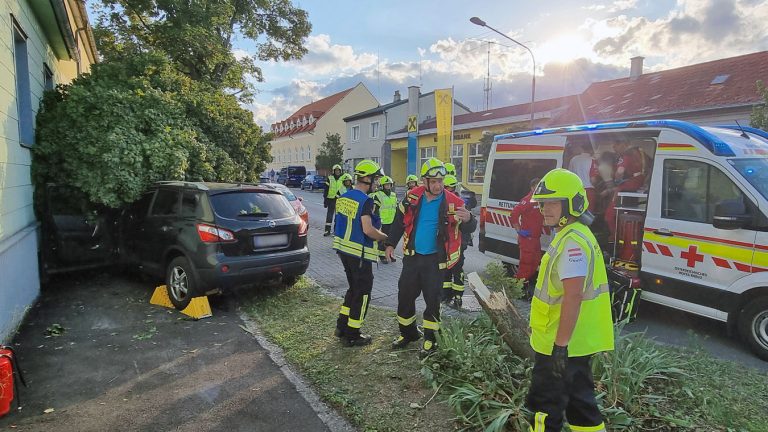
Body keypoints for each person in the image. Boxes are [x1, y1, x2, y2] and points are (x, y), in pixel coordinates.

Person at [525, 168, 614, 432]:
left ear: (572, 204)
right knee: (581, 407)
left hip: (561, 343)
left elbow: (573, 296)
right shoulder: (575, 234)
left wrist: (559, 348)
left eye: (553, 202)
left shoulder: (572, 241)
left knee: (544, 407)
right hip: (576, 342)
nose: (545, 209)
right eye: (542, 203)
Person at [385, 158, 473, 356]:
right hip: (412, 258)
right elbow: (399, 221)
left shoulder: (454, 201)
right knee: (405, 296)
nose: (438, 185)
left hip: (436, 261)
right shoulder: (412, 198)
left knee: (432, 301)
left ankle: (430, 340)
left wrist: (469, 220)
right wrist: (390, 244)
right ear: (424, 181)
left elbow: (469, 226)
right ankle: (408, 334)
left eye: (440, 181)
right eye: (433, 181)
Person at [333, 160, 389, 347]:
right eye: (376, 179)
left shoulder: (345, 197)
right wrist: (383, 237)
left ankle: (342, 327)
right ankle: (353, 334)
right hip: (359, 254)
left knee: (352, 289)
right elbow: (367, 229)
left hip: (344, 252)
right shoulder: (366, 201)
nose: (378, 183)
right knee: (363, 293)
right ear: (366, 179)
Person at [441, 174, 477, 309]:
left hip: (459, 242)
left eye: (450, 188)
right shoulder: (444, 200)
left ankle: (456, 296)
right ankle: (447, 295)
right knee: (447, 270)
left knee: (456, 269)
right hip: (447, 242)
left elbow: (469, 222)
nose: (448, 190)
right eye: (447, 188)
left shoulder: (460, 201)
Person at [603, 138, 650, 240]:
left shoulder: (626, 155)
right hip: (637, 186)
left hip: (627, 187)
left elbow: (620, 171)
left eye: (615, 146)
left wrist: (616, 178)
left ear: (623, 144)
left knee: (609, 215)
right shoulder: (641, 153)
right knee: (631, 213)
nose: (614, 149)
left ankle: (615, 237)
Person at [510, 178, 545, 299]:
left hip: (536, 239)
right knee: (525, 265)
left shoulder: (540, 200)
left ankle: (526, 287)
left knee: (535, 263)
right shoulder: (527, 200)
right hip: (527, 239)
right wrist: (519, 230)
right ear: (532, 187)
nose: (539, 188)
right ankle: (519, 290)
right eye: (537, 186)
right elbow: (514, 215)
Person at [372, 175, 398, 262]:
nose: (388, 186)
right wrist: (376, 220)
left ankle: (390, 254)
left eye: (389, 185)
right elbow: (375, 209)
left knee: (391, 240)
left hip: (392, 221)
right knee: (382, 239)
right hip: (382, 221)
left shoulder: (394, 195)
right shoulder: (378, 195)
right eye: (386, 185)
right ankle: (382, 256)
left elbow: (396, 207)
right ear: (382, 186)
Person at [567, 143, 597, 214]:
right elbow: (593, 180)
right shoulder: (592, 160)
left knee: (576, 213)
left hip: (575, 191)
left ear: (582, 149)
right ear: (591, 150)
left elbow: (570, 176)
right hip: (588, 191)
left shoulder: (573, 159)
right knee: (588, 214)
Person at [323, 164, 344, 236]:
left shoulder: (343, 178)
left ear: (340, 171)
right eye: (336, 170)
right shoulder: (330, 178)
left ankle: (336, 231)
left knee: (338, 216)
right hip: (331, 199)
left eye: (339, 170)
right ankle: (327, 230)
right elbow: (326, 189)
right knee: (329, 215)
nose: (337, 172)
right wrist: (325, 199)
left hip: (339, 200)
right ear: (334, 171)